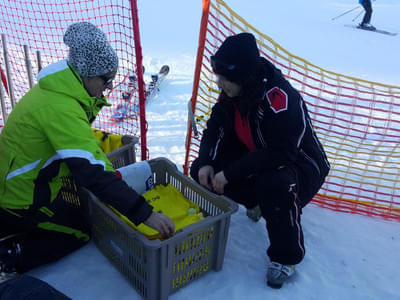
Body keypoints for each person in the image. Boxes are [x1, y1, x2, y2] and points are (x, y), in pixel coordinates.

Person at [0, 22, 175, 282]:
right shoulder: (61, 108)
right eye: (106, 80)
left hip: (24, 181)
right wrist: (145, 213)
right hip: (20, 197)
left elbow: (76, 139)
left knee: (81, 208)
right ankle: (9, 256)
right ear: (87, 74)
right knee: (80, 231)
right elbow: (93, 172)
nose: (108, 86)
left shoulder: (59, 89)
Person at [190, 33, 330, 288]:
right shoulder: (235, 92)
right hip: (258, 155)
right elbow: (214, 127)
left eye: (225, 79)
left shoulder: (281, 100)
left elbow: (281, 154)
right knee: (202, 169)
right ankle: (257, 202)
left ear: (243, 76)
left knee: (273, 183)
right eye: (218, 77)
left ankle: (286, 257)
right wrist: (207, 162)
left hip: (300, 166)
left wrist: (230, 174)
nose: (220, 84)